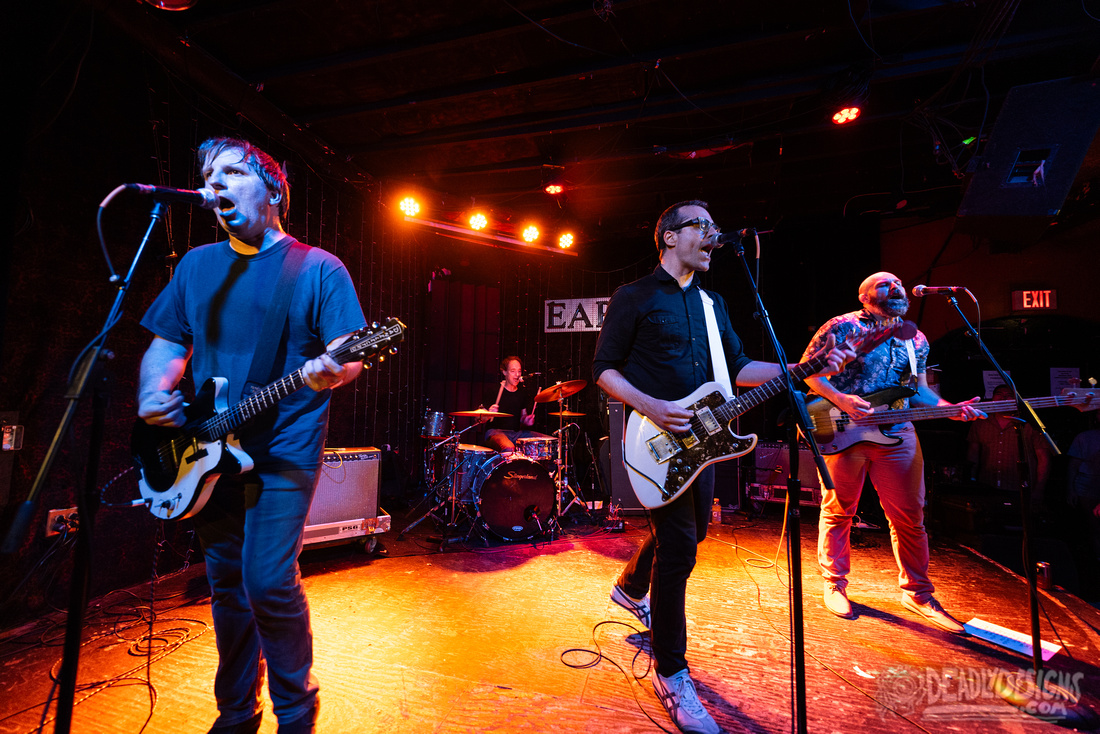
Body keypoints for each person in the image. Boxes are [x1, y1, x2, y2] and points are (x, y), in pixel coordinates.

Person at [593, 200, 853, 734]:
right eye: (702, 226)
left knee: (694, 536)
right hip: (656, 438)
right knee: (681, 547)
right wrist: (648, 404)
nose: (714, 235)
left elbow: (738, 371)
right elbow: (603, 369)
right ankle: (672, 670)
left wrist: (804, 368)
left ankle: (630, 586)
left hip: (706, 444)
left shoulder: (714, 305)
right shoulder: (634, 296)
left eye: (715, 228)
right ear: (668, 236)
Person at [137, 137, 367, 734]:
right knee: (226, 587)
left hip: (284, 449)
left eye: (233, 172)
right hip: (207, 449)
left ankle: (296, 712)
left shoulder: (318, 268)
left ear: (273, 188)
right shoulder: (196, 266)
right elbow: (167, 342)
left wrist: (330, 368)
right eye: (208, 176)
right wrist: (153, 392)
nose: (215, 185)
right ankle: (236, 714)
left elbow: (351, 352)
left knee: (266, 579)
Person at [801, 272, 985, 634]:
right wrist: (840, 400)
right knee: (839, 511)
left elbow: (919, 391)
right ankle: (834, 583)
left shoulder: (915, 338)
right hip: (843, 429)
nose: (896, 287)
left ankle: (917, 593)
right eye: (884, 284)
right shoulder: (842, 326)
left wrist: (948, 407)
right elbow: (810, 374)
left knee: (910, 517)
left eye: (898, 283)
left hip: (897, 432)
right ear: (864, 296)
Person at [966, 384, 1052, 511]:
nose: (1003, 398)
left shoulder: (1029, 424)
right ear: (992, 398)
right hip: (987, 487)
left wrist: (1039, 489)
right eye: (999, 394)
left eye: (1008, 395)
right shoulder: (981, 422)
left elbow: (1044, 459)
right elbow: (973, 454)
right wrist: (971, 481)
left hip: (1020, 489)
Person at [480, 355, 549, 453]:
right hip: (495, 432)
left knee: (547, 442)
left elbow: (522, 417)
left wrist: (526, 420)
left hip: (516, 433)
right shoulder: (494, 391)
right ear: (504, 372)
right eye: (513, 371)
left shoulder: (522, 393)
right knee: (508, 447)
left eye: (519, 371)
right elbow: (479, 419)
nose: (517, 375)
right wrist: (489, 413)